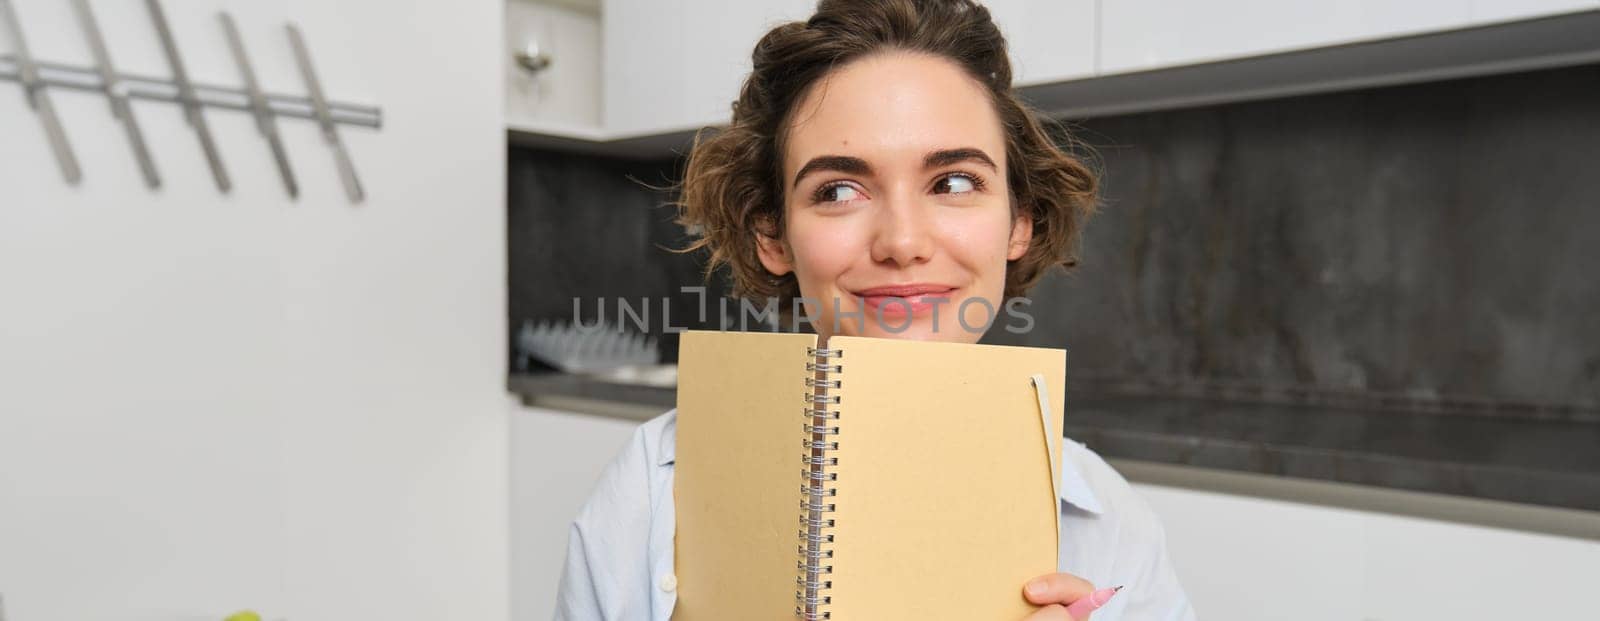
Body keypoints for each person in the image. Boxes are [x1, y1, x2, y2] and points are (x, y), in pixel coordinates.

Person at [554, 1, 1197, 619]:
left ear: (1018, 223)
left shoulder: (1108, 520)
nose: (903, 243)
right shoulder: (648, 491)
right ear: (772, 235)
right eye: (838, 190)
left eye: (953, 182)